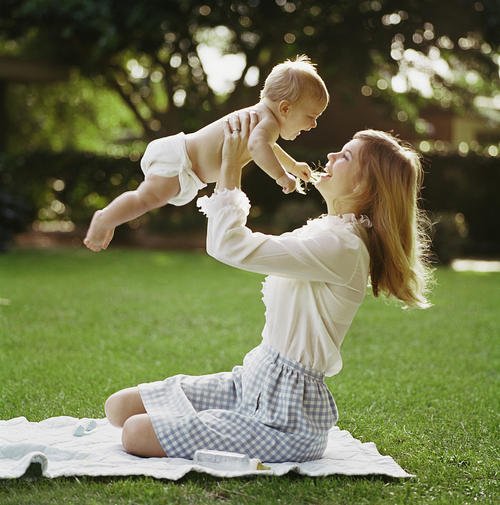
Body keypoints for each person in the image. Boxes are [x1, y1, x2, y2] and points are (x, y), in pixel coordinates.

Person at [104, 112, 433, 462]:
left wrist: (231, 166)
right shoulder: (326, 230)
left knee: (135, 432)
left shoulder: (344, 247)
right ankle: (204, 423)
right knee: (119, 407)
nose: (332, 157)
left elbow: (229, 245)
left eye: (346, 156)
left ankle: (209, 426)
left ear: (364, 187)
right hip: (250, 382)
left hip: (285, 420)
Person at [83, 55, 329, 252]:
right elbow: (258, 147)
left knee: (148, 199)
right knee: (146, 199)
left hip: (188, 171)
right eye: (311, 117)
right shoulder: (265, 122)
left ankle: (109, 218)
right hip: (181, 159)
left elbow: (267, 146)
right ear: (285, 108)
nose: (314, 125)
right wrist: (280, 176)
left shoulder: (264, 125)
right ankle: (104, 218)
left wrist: (293, 166)